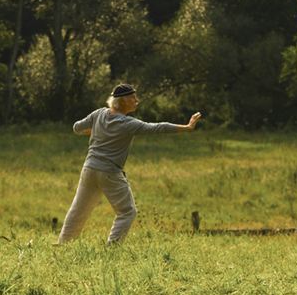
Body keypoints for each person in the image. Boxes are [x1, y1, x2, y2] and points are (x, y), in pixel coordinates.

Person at [57, 84, 202, 244]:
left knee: (78, 209)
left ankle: (63, 245)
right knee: (127, 211)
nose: (136, 100)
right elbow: (157, 127)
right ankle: (112, 247)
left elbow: (76, 128)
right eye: (133, 98)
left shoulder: (99, 114)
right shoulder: (128, 124)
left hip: (89, 169)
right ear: (123, 101)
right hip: (109, 172)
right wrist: (187, 127)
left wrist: (96, 132)